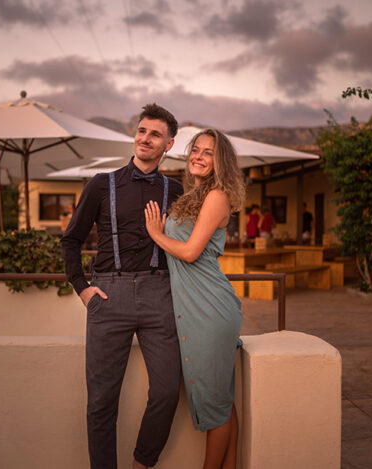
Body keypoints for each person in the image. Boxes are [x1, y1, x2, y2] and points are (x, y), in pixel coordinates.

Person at [61, 103, 184, 469]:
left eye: (155, 134)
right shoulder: (102, 184)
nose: (145, 138)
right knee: (101, 401)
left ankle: (142, 462)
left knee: (166, 392)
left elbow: (190, 243)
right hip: (108, 294)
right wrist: (82, 287)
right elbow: (71, 240)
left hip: (158, 294)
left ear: (169, 144)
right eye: (142, 131)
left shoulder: (175, 189)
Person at [144, 128, 245, 469]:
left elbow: (189, 253)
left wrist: (157, 234)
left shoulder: (217, 195)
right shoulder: (198, 194)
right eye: (195, 150)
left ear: (222, 161)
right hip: (199, 307)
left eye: (208, 152)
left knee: (215, 404)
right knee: (222, 401)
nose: (198, 156)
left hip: (210, 310)